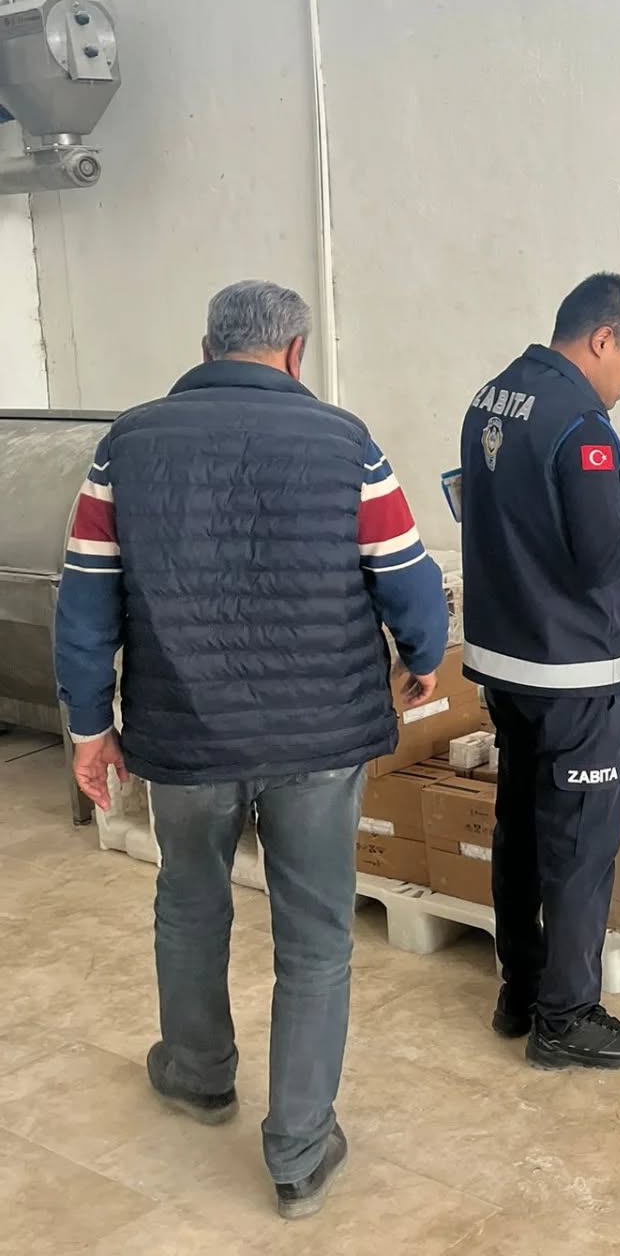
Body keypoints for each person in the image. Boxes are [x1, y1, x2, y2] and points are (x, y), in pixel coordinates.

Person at [54, 281, 449, 1217]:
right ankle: (300, 1151)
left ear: (207, 348)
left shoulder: (126, 445)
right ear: (296, 351)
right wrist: (424, 656)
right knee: (314, 936)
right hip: (320, 734)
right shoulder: (347, 443)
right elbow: (407, 578)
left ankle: (197, 1074)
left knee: (190, 903)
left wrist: (89, 725)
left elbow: (85, 596)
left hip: (184, 732)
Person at [461, 272, 620, 1071]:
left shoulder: (493, 398)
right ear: (602, 338)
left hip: (505, 661)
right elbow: (603, 557)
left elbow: (517, 502)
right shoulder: (582, 421)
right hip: (571, 669)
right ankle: (566, 1019)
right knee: (577, 844)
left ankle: (521, 991)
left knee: (520, 828)